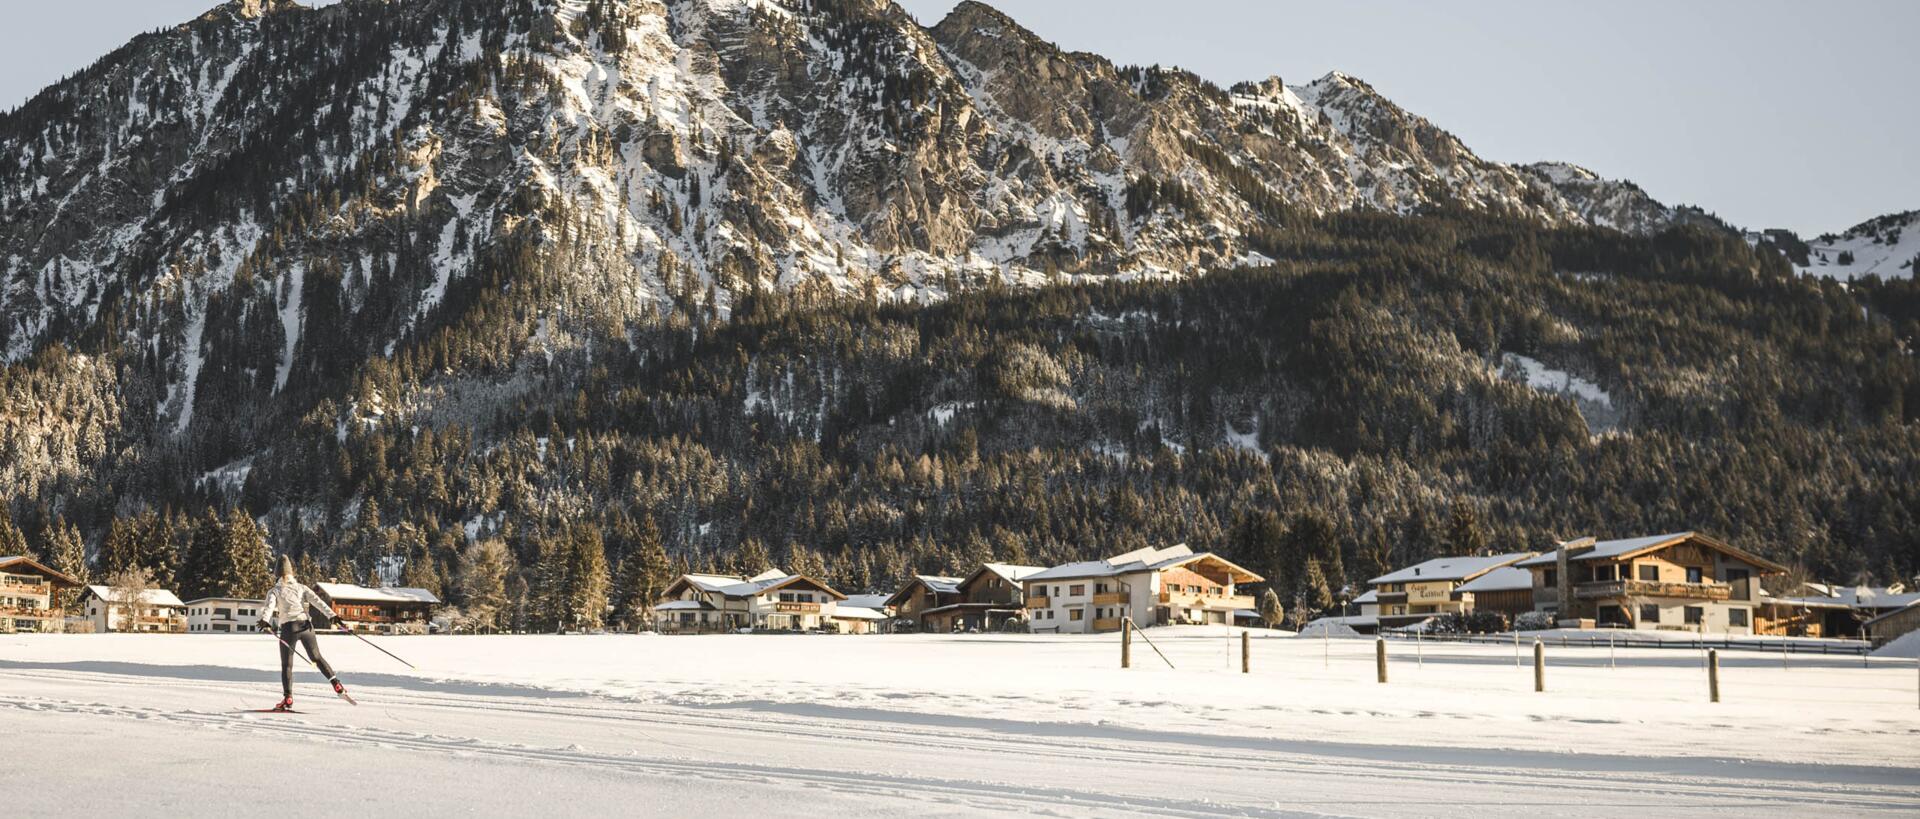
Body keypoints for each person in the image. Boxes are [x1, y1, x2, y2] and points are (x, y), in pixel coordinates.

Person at [256, 556, 349, 711]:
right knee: (317, 658)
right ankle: (337, 685)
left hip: (289, 629)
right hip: (306, 627)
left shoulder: (275, 590)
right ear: (291, 572)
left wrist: (265, 620)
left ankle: (288, 698)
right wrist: (332, 616)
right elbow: (318, 601)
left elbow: (269, 607)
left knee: (287, 665)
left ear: (277, 573)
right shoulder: (301, 587)